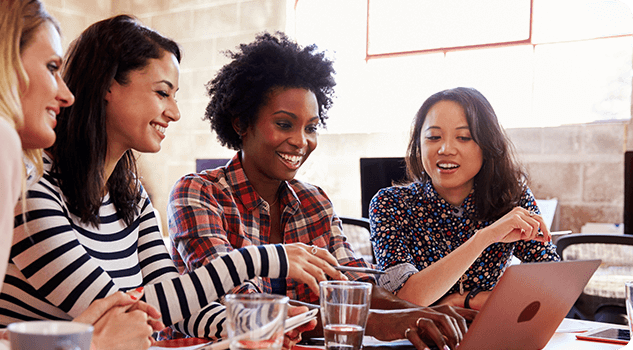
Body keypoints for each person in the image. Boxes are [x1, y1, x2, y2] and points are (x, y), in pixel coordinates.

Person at [0, 15, 343, 348]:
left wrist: (256, 325)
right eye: (163, 93)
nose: (175, 112)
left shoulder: (129, 193)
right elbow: (122, 314)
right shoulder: (31, 189)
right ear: (107, 85)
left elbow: (176, 305)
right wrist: (264, 258)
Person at [168, 32, 475, 350]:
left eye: (311, 127)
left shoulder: (314, 202)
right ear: (241, 123)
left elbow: (355, 285)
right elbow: (245, 308)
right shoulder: (198, 194)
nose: (302, 141)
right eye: (285, 124)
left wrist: (422, 315)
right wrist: (375, 322)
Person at [0, 1, 163, 350]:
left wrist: (68, 338)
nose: (66, 94)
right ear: (0, 60)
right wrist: (94, 345)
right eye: (52, 67)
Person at [369, 87, 560, 311]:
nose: (446, 149)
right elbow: (402, 300)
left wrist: (465, 300)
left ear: (487, 146)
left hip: (492, 335)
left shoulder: (511, 198)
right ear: (418, 145)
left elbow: (554, 290)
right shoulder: (390, 204)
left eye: (464, 137)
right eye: (433, 137)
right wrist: (483, 239)